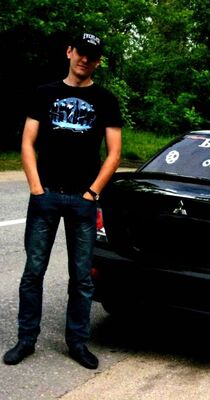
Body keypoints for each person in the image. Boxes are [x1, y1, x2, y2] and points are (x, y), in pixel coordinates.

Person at [3, 32, 122, 369]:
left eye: (92, 56)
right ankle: (26, 339)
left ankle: (77, 342)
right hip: (47, 195)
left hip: (83, 200)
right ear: (69, 52)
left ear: (98, 62)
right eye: (80, 52)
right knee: (33, 272)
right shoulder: (44, 93)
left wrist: (92, 193)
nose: (85, 59)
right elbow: (28, 142)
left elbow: (114, 153)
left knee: (82, 278)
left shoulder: (106, 100)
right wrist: (36, 188)